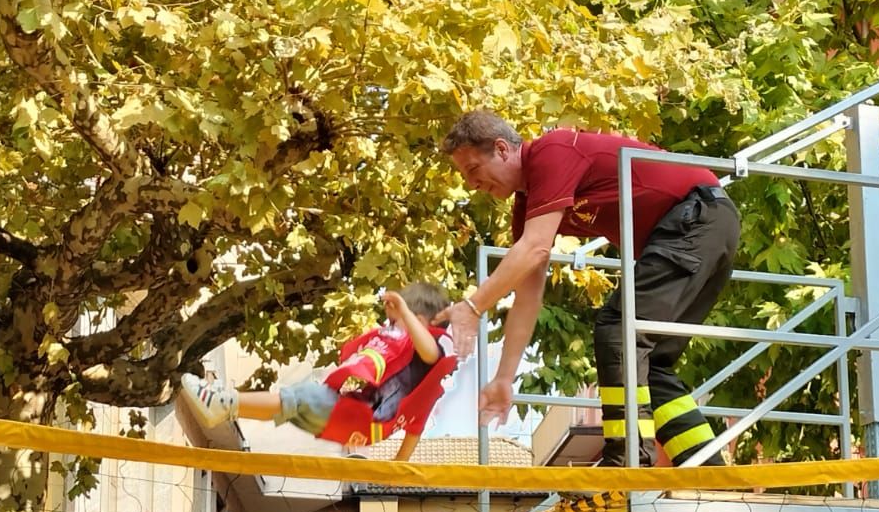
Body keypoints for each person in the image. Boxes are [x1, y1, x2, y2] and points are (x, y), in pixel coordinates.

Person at [439, 110, 739, 467]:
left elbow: (535, 248)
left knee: (618, 332)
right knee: (650, 363)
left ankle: (627, 461)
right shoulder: (528, 205)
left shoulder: (552, 151)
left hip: (696, 217)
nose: (472, 185)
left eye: (473, 169)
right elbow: (528, 296)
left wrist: (473, 306)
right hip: (703, 227)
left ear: (502, 149)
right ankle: (706, 469)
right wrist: (504, 378)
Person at [181, 283, 454, 463]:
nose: (390, 328)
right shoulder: (422, 386)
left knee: (301, 396)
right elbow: (416, 427)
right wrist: (400, 463)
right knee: (290, 406)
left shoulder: (429, 352)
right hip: (361, 424)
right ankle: (226, 409)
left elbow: (430, 351)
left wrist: (404, 311)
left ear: (420, 322)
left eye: (397, 323)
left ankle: (223, 404)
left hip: (360, 418)